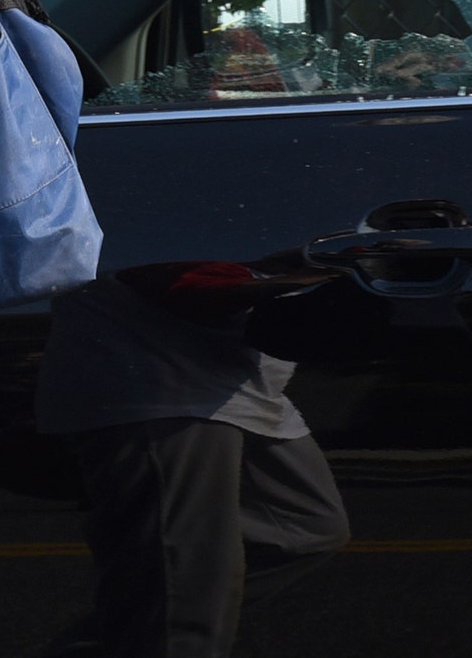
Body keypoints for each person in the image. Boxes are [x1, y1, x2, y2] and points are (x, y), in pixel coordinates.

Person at [38, 257, 355, 657]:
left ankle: (122, 634)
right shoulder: (188, 260)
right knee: (188, 577)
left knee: (308, 528)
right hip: (163, 396)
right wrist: (318, 278)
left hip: (239, 393)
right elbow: (190, 289)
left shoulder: (251, 255)